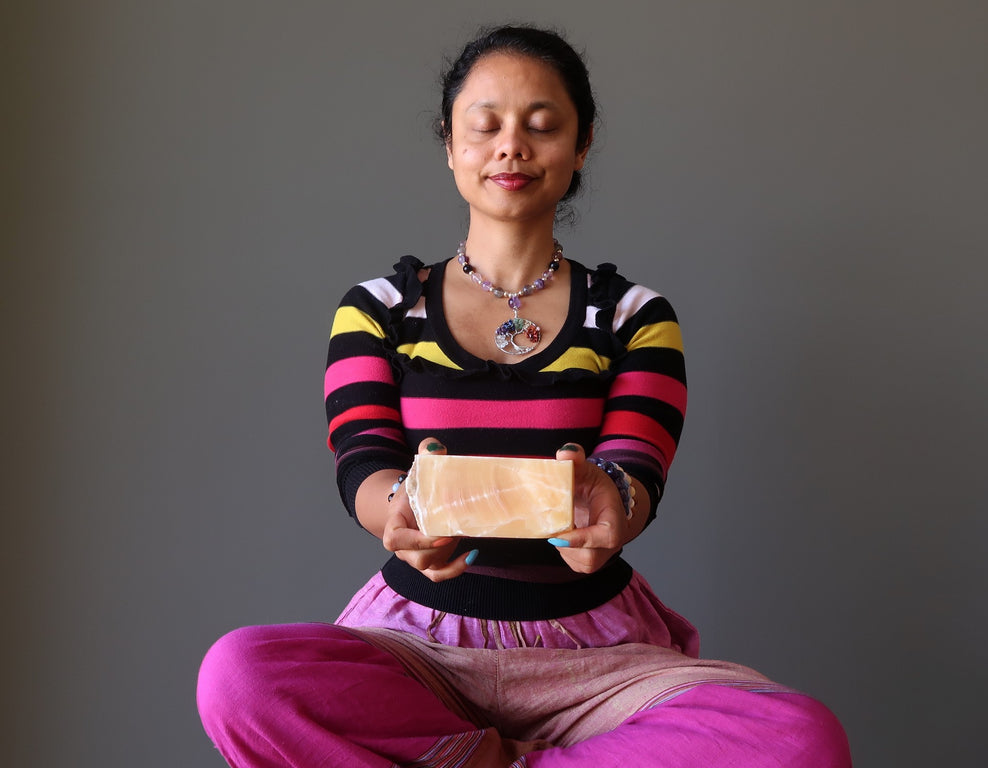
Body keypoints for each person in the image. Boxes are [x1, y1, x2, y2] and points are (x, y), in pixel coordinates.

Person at [196, 24, 852, 768]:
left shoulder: (635, 317)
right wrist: (401, 514)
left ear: (581, 146)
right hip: (417, 645)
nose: (512, 147)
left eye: (542, 126)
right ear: (450, 143)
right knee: (239, 678)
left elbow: (638, 467)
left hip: (594, 655)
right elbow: (364, 461)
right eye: (485, 126)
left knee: (800, 740)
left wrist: (612, 503)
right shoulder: (377, 308)